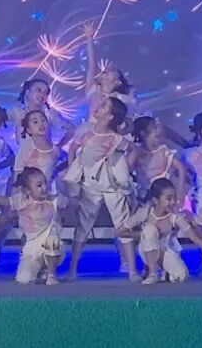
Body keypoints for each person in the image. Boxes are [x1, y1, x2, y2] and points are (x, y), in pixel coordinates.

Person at [63, 98, 137, 281]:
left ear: (110, 116)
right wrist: (75, 171)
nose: (98, 106)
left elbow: (134, 150)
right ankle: (72, 270)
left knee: (123, 224)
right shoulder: (84, 131)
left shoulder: (115, 138)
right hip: (90, 187)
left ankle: (132, 269)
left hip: (112, 187)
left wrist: (125, 168)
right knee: (83, 227)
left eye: (104, 106)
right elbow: (73, 149)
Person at [117, 178, 202, 285]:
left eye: (174, 198)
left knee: (181, 276)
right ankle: (152, 273)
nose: (173, 202)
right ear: (156, 200)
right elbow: (119, 232)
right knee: (150, 230)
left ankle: (165, 271)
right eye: (168, 199)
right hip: (147, 249)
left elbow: (197, 240)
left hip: (165, 251)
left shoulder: (176, 217)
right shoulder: (145, 213)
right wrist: (142, 235)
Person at [0, 167, 72, 285]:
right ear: (28, 190)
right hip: (32, 250)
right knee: (24, 279)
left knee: (52, 240)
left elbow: (74, 204)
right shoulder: (22, 202)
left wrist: (64, 202)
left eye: (45, 183)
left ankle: (51, 274)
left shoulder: (54, 201)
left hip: (52, 247)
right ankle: (41, 271)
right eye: (39, 185)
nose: (44, 188)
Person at [82, 22, 136, 127]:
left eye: (112, 70)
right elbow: (91, 64)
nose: (106, 69)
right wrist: (89, 38)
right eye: (106, 70)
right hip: (89, 132)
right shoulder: (92, 91)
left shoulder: (122, 100)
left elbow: (131, 117)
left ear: (117, 81)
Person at [129, 116, 188, 202]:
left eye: (157, 127)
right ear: (143, 133)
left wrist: (180, 191)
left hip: (168, 195)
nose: (158, 131)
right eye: (154, 127)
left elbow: (181, 168)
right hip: (146, 197)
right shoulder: (137, 152)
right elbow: (127, 169)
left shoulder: (163, 151)